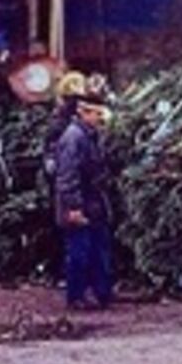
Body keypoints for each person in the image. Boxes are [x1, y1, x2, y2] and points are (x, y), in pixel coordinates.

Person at [54, 89, 115, 310]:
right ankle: (77, 296)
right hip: (80, 201)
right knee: (79, 252)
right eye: (96, 114)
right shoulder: (74, 138)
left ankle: (100, 294)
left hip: (94, 201)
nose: (100, 119)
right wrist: (73, 207)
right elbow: (67, 175)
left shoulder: (90, 135)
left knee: (98, 249)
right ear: (83, 112)